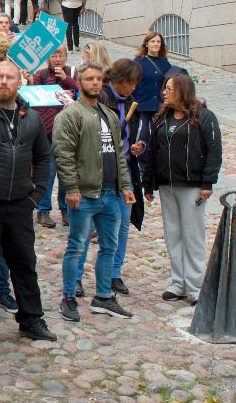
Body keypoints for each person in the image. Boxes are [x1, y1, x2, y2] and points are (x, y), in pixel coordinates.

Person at [0, 61, 56, 344]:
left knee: (24, 263)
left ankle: (31, 319)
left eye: (10, 77)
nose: (4, 81)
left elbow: (44, 158)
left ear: (20, 82)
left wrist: (36, 194)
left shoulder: (30, 118)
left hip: (20, 202)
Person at [53, 62, 136, 323]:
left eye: (99, 79)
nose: (95, 83)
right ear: (79, 82)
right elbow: (63, 153)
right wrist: (72, 187)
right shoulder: (70, 115)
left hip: (110, 194)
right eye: (89, 79)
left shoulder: (109, 114)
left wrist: (125, 186)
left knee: (109, 246)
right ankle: (68, 296)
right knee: (76, 246)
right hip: (85, 194)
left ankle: (103, 295)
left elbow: (119, 155)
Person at [143, 73, 222, 305]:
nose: (164, 92)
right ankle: (177, 282)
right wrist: (149, 182)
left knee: (193, 236)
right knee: (173, 234)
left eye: (170, 88)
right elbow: (153, 151)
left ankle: (196, 287)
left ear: (183, 91)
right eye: (165, 88)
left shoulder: (204, 117)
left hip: (192, 186)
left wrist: (208, 182)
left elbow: (214, 150)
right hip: (168, 185)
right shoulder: (162, 118)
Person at [84, 58, 145, 296]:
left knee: (122, 224)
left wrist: (140, 146)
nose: (133, 88)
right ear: (119, 80)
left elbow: (132, 135)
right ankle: (76, 278)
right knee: (88, 227)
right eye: (131, 83)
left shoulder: (130, 103)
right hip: (98, 170)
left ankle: (114, 273)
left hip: (125, 170)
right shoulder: (100, 99)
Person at [32, 47, 80, 229]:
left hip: (69, 131)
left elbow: (80, 92)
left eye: (61, 55)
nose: (58, 59)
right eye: (54, 55)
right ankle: (43, 210)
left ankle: (65, 210)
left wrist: (66, 80)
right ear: (48, 58)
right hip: (48, 131)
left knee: (66, 172)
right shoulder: (41, 75)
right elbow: (34, 100)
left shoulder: (72, 73)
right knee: (49, 172)